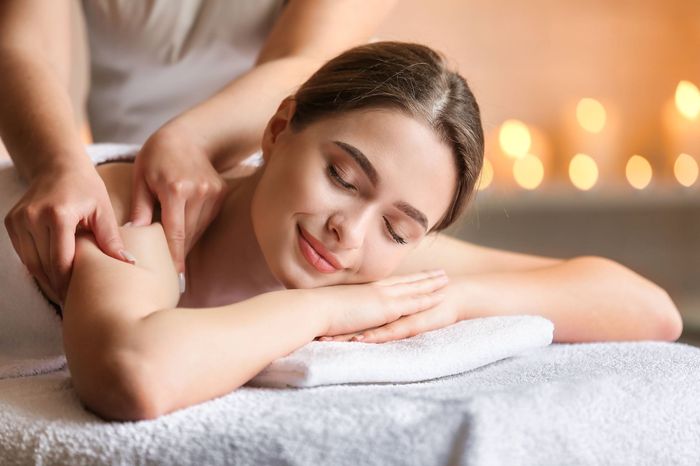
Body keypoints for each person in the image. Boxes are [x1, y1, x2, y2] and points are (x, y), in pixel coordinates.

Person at [5, 42, 682, 422]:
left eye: (397, 227)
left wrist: (457, 300)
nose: (348, 232)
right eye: (343, 178)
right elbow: (133, 374)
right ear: (276, 132)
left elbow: (650, 311)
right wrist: (327, 307)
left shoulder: (378, 259)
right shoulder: (146, 211)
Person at [0, 0, 397, 308]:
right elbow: (25, 44)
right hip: (104, 178)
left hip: (258, 169)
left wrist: (192, 140)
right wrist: (58, 165)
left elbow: (309, 60)